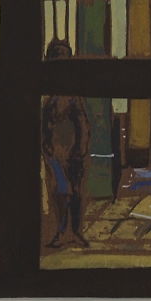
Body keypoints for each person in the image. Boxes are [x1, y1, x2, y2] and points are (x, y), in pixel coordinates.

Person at [40, 38, 91, 247]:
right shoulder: (48, 96)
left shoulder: (72, 95)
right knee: (60, 192)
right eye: (56, 57)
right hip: (55, 154)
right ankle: (62, 232)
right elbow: (45, 125)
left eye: (63, 57)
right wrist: (46, 147)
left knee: (75, 192)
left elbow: (82, 124)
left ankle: (75, 232)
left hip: (73, 153)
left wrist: (81, 148)